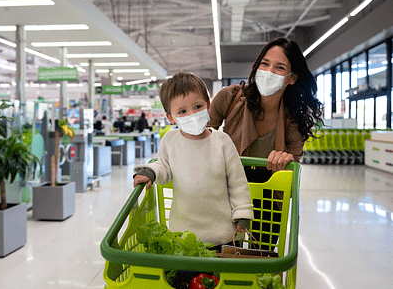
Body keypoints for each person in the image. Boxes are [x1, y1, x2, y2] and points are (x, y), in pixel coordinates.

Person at [133, 72, 254, 247]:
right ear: (170, 117)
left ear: (209, 105)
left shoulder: (222, 142)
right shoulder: (170, 141)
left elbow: (238, 182)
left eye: (198, 106)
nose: (192, 114)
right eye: (182, 111)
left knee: (222, 275)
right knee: (186, 275)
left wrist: (242, 213)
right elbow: (164, 168)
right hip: (183, 234)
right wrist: (150, 172)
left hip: (224, 234)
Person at [207, 37, 323, 182]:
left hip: (267, 197)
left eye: (280, 67)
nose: (269, 72)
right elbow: (200, 138)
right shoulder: (230, 97)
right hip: (227, 189)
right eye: (264, 64)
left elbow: (291, 182)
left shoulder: (294, 121)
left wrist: (286, 164)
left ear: (292, 78)